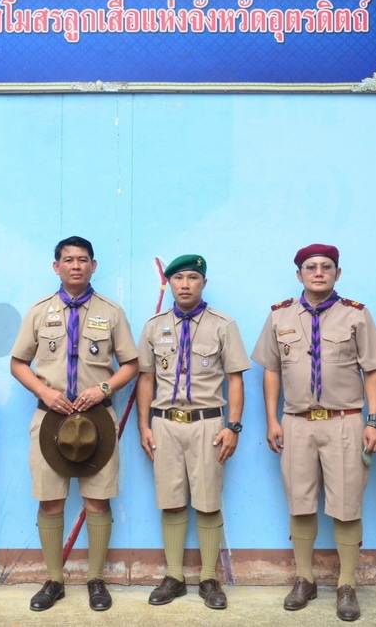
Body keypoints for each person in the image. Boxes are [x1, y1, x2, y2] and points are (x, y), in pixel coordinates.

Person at [251, 244, 376, 622]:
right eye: (310, 267)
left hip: (345, 421)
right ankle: (304, 578)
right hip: (296, 422)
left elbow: (372, 371)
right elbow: (272, 371)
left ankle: (347, 584)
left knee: (346, 505)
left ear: (337, 274)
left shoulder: (356, 315)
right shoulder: (279, 316)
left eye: (326, 267)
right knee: (300, 501)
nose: (318, 273)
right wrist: (272, 420)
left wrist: (375, 420)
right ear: (299, 275)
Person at [10, 236, 139, 612]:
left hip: (97, 420)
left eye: (83, 260)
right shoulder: (39, 311)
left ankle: (96, 579)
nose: (76, 266)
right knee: (50, 500)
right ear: (57, 267)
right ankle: (54, 579)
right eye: (68, 260)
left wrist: (104, 388)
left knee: (97, 500)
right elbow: (18, 363)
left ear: (93, 266)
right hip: (50, 418)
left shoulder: (111, 312)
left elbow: (131, 364)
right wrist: (44, 391)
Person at [136, 254, 250, 610]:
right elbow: (146, 378)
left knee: (208, 501)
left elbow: (235, 379)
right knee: (170, 500)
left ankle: (208, 577)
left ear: (203, 282)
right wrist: (143, 424)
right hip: (165, 424)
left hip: (207, 423)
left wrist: (233, 426)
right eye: (178, 278)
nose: (185, 284)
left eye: (192, 277)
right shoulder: (154, 326)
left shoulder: (222, 325)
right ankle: (174, 576)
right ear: (169, 283)